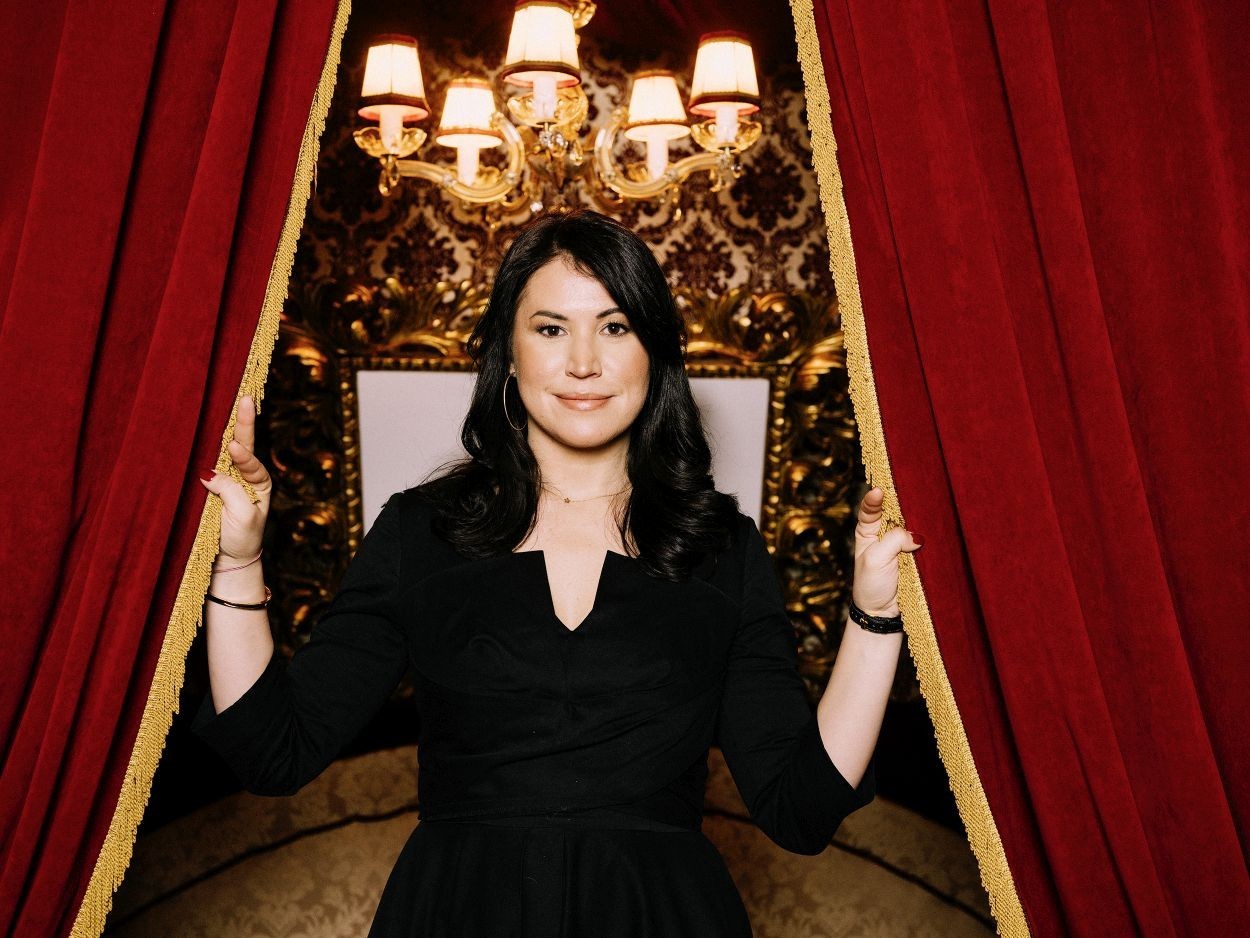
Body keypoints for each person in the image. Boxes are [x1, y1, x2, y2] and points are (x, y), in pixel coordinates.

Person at [193, 209, 923, 936]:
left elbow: (801, 809)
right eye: (550, 329)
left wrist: (874, 614)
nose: (583, 362)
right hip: (456, 916)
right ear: (508, 353)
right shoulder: (421, 532)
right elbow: (272, 752)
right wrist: (239, 559)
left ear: (655, 351)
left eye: (615, 327)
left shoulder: (722, 548)